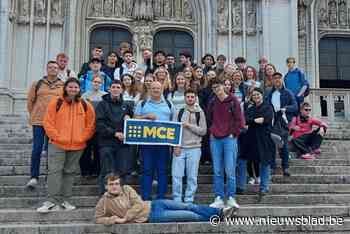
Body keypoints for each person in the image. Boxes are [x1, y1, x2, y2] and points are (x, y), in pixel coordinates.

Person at [38, 78, 95, 212]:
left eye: (76, 87)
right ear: (65, 88)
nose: (73, 89)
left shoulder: (85, 104)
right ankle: (51, 201)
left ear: (79, 89)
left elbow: (91, 124)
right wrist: (57, 137)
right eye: (70, 87)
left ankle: (65, 200)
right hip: (57, 144)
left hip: (77, 145)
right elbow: (47, 122)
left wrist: (83, 137)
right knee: (54, 172)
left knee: (70, 173)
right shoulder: (56, 102)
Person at [95, 173, 237, 224]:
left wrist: (126, 218)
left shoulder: (126, 189)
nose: (114, 186)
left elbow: (138, 204)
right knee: (190, 215)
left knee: (189, 206)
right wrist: (112, 219)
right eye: (111, 184)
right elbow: (98, 218)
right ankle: (217, 218)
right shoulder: (104, 202)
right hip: (153, 216)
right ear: (106, 186)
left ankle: (220, 212)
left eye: (116, 184)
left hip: (155, 204)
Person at [134, 81, 176, 200]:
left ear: (162, 89)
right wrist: (146, 117)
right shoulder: (142, 104)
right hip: (147, 144)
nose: (156, 90)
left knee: (162, 171)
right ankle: (146, 198)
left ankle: (161, 198)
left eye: (158, 88)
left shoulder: (169, 104)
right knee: (147, 170)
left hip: (163, 144)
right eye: (153, 88)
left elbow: (174, 121)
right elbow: (135, 119)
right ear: (149, 89)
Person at [26, 61, 65, 188]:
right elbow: (30, 102)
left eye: (55, 67)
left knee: (52, 151)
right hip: (39, 121)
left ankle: (50, 176)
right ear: (46, 69)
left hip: (55, 123)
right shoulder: (37, 84)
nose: (53, 69)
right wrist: (34, 114)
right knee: (37, 149)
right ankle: (34, 176)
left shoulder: (63, 85)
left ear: (58, 70)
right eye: (50, 67)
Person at [207, 78, 243, 209]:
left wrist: (234, 133)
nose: (216, 89)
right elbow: (209, 118)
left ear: (223, 86)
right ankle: (219, 197)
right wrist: (212, 130)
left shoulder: (233, 101)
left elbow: (240, 120)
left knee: (230, 169)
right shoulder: (212, 102)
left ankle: (231, 197)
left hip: (229, 138)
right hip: (215, 138)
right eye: (214, 87)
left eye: (218, 86)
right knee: (217, 170)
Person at [95, 80, 134, 194]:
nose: (116, 89)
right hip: (106, 143)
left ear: (122, 90)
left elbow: (132, 122)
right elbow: (99, 124)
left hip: (123, 145)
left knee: (123, 172)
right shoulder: (102, 104)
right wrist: (115, 133)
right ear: (109, 89)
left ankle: (121, 198)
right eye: (113, 87)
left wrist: (129, 117)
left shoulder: (126, 105)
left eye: (118, 87)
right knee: (107, 173)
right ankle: (105, 198)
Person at [237, 88, 275, 201]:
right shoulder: (250, 108)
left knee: (265, 162)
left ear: (262, 95)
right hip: (250, 138)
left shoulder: (268, 107)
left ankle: (264, 187)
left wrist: (253, 121)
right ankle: (241, 186)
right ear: (252, 97)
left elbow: (266, 119)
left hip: (264, 138)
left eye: (258, 94)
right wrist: (255, 120)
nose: (256, 96)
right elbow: (246, 120)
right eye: (254, 95)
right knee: (242, 160)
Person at [172, 89, 207, 203]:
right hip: (180, 148)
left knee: (192, 176)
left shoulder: (200, 112)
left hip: (195, 148)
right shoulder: (179, 111)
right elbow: (174, 130)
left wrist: (189, 125)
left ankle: (189, 199)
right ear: (185, 98)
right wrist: (175, 146)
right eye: (188, 97)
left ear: (195, 98)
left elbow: (203, 131)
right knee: (177, 176)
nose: (190, 99)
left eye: (192, 97)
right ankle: (177, 199)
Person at [266, 72, 298, 176]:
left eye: (279, 78)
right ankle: (272, 166)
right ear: (272, 81)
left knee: (283, 144)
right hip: (272, 120)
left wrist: (286, 109)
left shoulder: (288, 93)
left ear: (281, 80)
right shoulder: (269, 93)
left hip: (283, 120)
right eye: (275, 78)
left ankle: (285, 167)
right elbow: (266, 106)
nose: (277, 80)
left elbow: (295, 106)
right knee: (271, 144)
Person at [80, 75, 107, 177]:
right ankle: (86, 170)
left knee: (97, 149)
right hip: (87, 126)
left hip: (99, 127)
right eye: (95, 82)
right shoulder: (84, 95)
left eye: (99, 82)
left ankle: (96, 170)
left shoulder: (105, 95)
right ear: (91, 83)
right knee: (86, 150)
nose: (96, 84)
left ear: (102, 84)